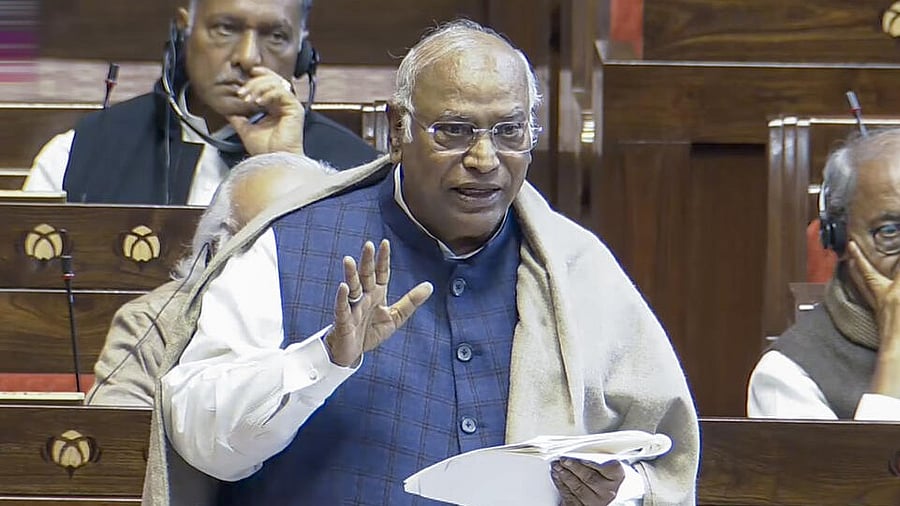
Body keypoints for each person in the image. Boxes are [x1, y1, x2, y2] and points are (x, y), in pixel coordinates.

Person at [145, 20, 699, 505]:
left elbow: (657, 466)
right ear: (398, 129)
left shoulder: (575, 267)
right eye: (454, 131)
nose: (484, 160)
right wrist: (323, 361)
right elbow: (199, 438)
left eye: (509, 132)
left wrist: (614, 489)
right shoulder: (288, 241)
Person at [23, 0, 377, 204]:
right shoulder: (79, 153)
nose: (248, 57)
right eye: (226, 29)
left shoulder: (357, 173)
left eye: (276, 36)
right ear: (183, 31)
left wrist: (289, 166)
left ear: (302, 52)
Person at [86, 152, 335, 407]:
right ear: (215, 248)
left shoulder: (355, 315)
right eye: (261, 244)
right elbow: (123, 430)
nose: (279, 260)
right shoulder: (154, 321)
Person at [748, 130, 900, 420]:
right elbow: (860, 466)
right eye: (890, 231)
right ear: (837, 239)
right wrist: (895, 355)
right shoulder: (789, 375)